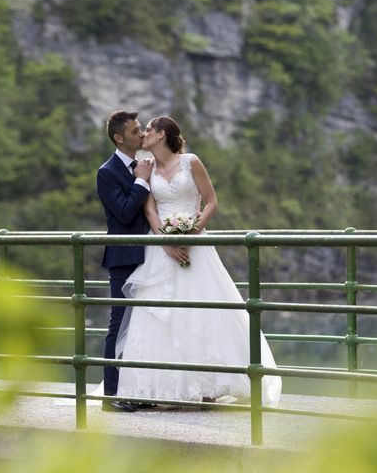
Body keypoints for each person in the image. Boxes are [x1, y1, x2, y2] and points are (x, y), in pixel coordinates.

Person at [115, 116, 282, 406]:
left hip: (196, 245)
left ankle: (207, 385)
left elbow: (212, 201)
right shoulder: (146, 167)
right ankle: (159, 388)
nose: (144, 134)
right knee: (159, 315)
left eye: (149, 130)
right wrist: (164, 241)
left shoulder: (191, 161)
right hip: (161, 248)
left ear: (162, 134)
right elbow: (150, 211)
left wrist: (193, 231)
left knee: (201, 312)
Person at [96, 110, 154, 412]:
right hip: (123, 256)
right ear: (119, 138)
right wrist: (141, 182)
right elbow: (124, 212)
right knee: (119, 324)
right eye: (135, 131)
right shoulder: (107, 172)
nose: (141, 134)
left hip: (152, 256)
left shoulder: (146, 165)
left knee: (146, 324)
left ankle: (140, 389)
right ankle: (110, 395)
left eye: (142, 128)